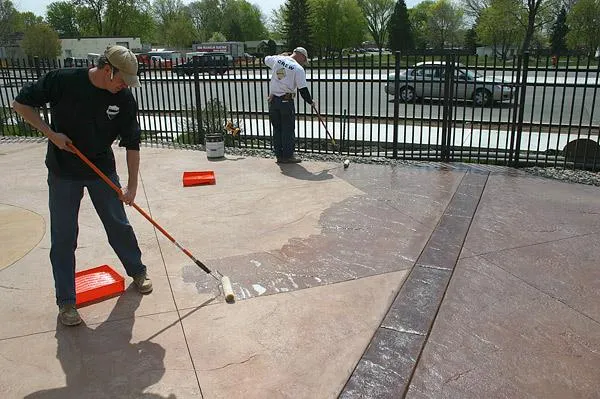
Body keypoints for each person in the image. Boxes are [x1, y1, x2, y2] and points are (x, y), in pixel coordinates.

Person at [12, 45, 152, 327]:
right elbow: (20, 104)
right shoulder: (63, 81)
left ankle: (137, 270)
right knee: (64, 237)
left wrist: (131, 188)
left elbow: (132, 144)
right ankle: (66, 302)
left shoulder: (123, 99)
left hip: (101, 170)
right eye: (121, 78)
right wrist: (51, 134)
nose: (124, 85)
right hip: (63, 172)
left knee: (118, 224)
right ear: (107, 69)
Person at [264, 47, 316, 163]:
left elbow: (266, 59)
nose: (304, 63)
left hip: (273, 101)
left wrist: (280, 55)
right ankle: (288, 156)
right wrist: (310, 102)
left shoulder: (278, 59)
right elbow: (303, 90)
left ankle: (279, 155)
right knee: (288, 129)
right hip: (286, 102)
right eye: (304, 60)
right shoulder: (298, 69)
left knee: (277, 129)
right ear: (300, 56)